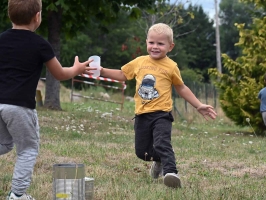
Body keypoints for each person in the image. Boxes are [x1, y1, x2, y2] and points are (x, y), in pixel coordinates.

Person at [100, 23, 217, 188]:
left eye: (160, 44)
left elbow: (181, 87)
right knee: (142, 152)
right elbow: (122, 74)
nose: (155, 47)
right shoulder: (139, 62)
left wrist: (198, 105)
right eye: (151, 42)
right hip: (141, 114)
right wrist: (102, 71)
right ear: (146, 42)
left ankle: (171, 173)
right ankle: (161, 159)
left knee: (162, 143)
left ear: (170, 46)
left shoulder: (171, 67)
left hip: (162, 114)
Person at [0, 0, 94, 199]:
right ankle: (17, 195)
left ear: (10, 15)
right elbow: (59, 74)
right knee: (27, 149)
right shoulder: (40, 44)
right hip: (20, 107)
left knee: (4, 144)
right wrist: (77, 69)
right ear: (37, 17)